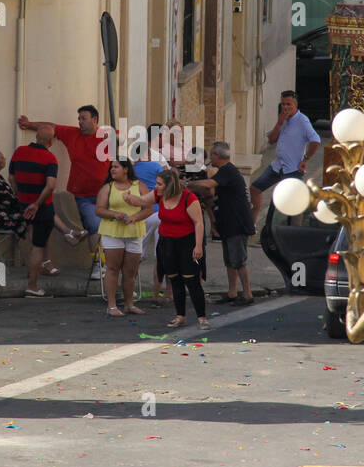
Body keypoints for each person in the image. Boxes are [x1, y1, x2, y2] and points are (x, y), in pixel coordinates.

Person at [18, 105, 111, 278]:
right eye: (79, 118)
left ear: (95, 120)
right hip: (83, 195)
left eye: (83, 118)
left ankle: (109, 264)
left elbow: (130, 140)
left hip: (106, 193)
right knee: (94, 226)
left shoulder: (106, 135)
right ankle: (99, 265)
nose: (80, 122)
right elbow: (51, 127)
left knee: (108, 229)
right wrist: (30, 124)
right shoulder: (72, 134)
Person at [128, 168, 207, 329]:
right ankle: (180, 316)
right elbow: (142, 201)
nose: (156, 187)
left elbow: (199, 223)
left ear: (169, 185)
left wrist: (198, 246)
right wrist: (129, 198)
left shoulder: (188, 198)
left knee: (191, 280)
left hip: (187, 242)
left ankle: (201, 317)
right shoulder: (159, 195)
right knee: (174, 278)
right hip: (167, 242)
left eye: (159, 184)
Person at [188, 141, 255, 305]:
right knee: (230, 260)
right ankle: (232, 292)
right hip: (227, 221)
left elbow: (209, 185)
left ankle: (247, 294)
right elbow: (211, 193)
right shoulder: (224, 172)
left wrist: (189, 185)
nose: (210, 158)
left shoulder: (228, 171)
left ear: (218, 156)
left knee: (239, 260)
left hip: (237, 222)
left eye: (211, 155)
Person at [0, 148, 86, 246]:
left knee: (41, 211)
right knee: (39, 213)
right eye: (1, 157)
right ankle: (57, 241)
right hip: (1, 219)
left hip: (11, 213)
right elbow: (8, 202)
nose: (5, 158)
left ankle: (65, 236)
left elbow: (12, 199)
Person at [250, 90, 321, 225]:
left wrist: (305, 159)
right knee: (255, 189)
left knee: (290, 200)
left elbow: (316, 141)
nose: (285, 107)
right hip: (277, 165)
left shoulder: (302, 121)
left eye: (288, 104)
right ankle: (252, 222)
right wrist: (279, 123)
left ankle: (293, 228)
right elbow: (271, 140)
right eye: (283, 104)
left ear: (295, 105)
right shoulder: (283, 120)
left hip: (293, 168)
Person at [9, 125, 63, 297]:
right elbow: (51, 185)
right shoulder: (50, 158)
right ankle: (32, 285)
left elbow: (11, 178)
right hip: (42, 208)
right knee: (39, 246)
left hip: (24, 204)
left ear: (36, 137)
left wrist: (22, 197)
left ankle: (34, 271)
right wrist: (37, 203)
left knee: (33, 241)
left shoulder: (19, 152)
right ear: (51, 141)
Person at [95, 158, 154, 317]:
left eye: (116, 167)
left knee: (130, 271)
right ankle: (112, 305)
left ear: (126, 169)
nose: (112, 170)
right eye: (111, 167)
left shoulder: (139, 186)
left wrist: (134, 217)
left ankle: (129, 304)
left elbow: (149, 209)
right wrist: (115, 214)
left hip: (134, 232)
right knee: (113, 268)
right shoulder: (108, 187)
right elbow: (99, 210)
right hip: (112, 231)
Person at [134, 129, 168, 306]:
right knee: (160, 255)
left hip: (141, 215)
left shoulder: (131, 170)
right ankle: (158, 294)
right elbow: (169, 183)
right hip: (158, 213)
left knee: (137, 253)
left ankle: (131, 289)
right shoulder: (156, 167)